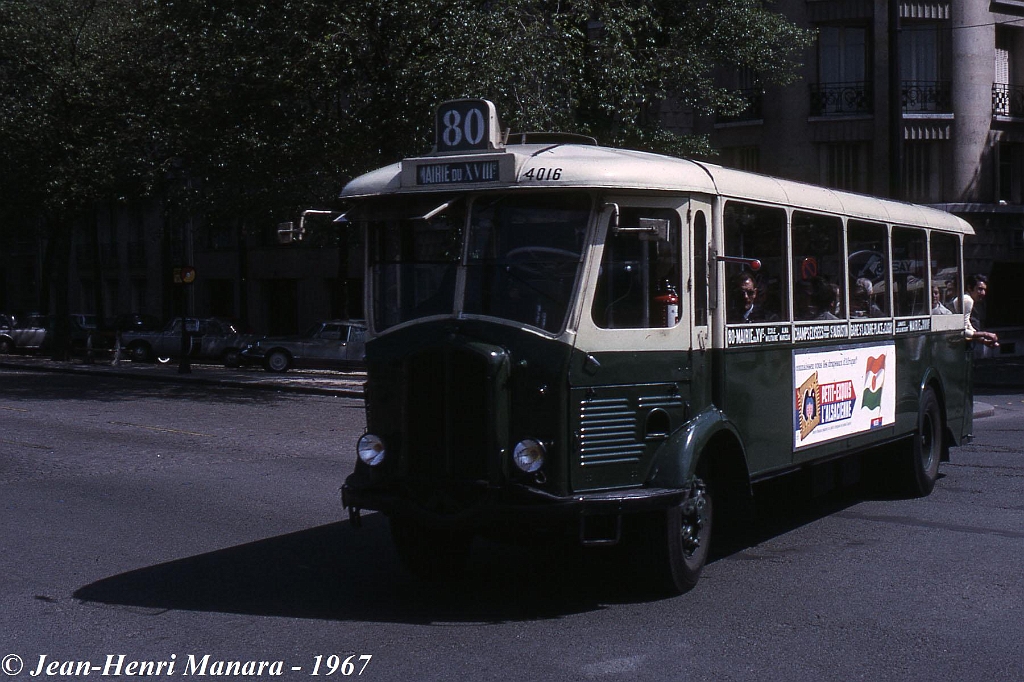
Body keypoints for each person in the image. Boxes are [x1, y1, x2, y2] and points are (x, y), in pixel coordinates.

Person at [958, 274, 999, 347]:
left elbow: (969, 327)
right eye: (980, 289)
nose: (983, 293)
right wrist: (986, 334)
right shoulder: (968, 300)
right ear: (970, 288)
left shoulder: (967, 300)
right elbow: (962, 331)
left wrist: (983, 340)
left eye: (984, 290)